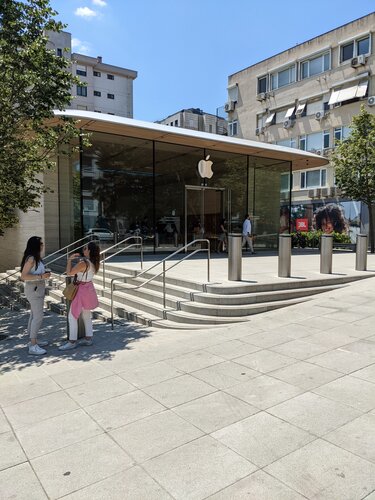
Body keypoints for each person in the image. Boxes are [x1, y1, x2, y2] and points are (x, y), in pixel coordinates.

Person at [59, 241, 100, 351]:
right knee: (86, 315)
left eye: (85, 248)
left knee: (72, 316)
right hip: (89, 289)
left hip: (81, 290)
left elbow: (69, 273)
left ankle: (72, 342)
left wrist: (69, 260)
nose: (83, 250)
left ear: (89, 251)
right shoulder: (93, 262)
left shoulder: (83, 263)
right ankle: (88, 339)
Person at [20, 236, 51, 355]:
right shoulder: (31, 258)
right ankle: (33, 345)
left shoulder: (37, 258)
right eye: (41, 243)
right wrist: (41, 277)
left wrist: (44, 274)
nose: (43, 245)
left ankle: (34, 340)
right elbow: (23, 276)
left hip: (37, 288)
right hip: (34, 289)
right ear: (35, 245)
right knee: (38, 317)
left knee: (34, 315)